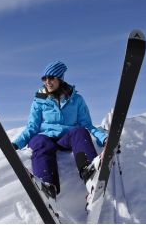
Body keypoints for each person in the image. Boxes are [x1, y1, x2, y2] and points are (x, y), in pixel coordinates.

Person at [12, 61, 107, 199]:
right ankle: (48, 185)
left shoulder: (76, 100)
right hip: (45, 138)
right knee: (40, 141)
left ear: (60, 79)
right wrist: (17, 144)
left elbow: (87, 125)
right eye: (44, 79)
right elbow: (32, 126)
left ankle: (90, 173)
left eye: (51, 78)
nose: (47, 82)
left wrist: (104, 138)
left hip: (67, 139)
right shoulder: (39, 100)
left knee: (80, 131)